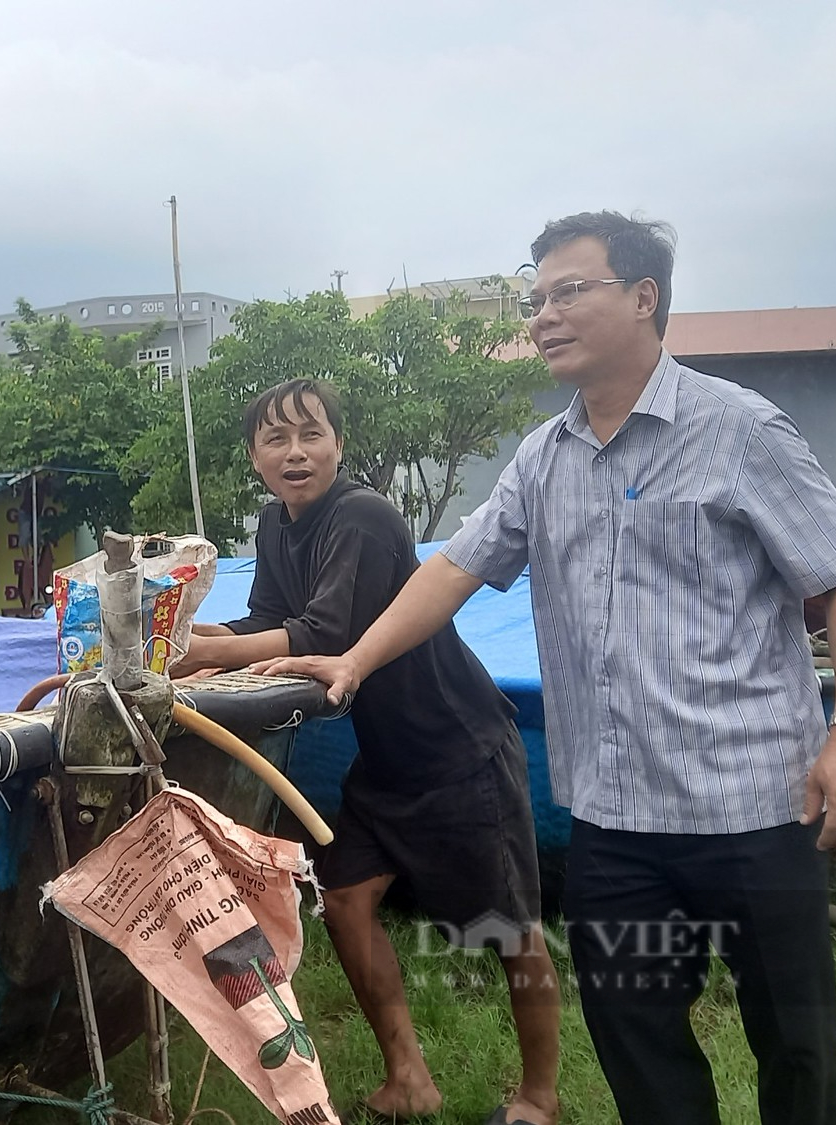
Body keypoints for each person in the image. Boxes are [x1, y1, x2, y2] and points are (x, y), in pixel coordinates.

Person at [262, 212, 836, 1125]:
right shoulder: (542, 459)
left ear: (645, 298)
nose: (543, 315)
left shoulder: (739, 431)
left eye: (569, 291)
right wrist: (354, 659)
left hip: (753, 807)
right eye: (535, 298)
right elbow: (452, 570)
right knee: (640, 1046)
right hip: (616, 822)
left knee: (796, 1044)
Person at [176, 379, 560, 1125]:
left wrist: (204, 656)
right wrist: (187, 642)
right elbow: (267, 617)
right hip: (385, 759)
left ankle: (540, 1096)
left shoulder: (363, 516)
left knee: (510, 928)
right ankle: (408, 1078)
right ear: (253, 456)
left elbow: (323, 633)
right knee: (347, 900)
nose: (295, 453)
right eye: (275, 439)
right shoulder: (274, 525)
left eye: (310, 435)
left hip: (458, 745)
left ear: (338, 445)